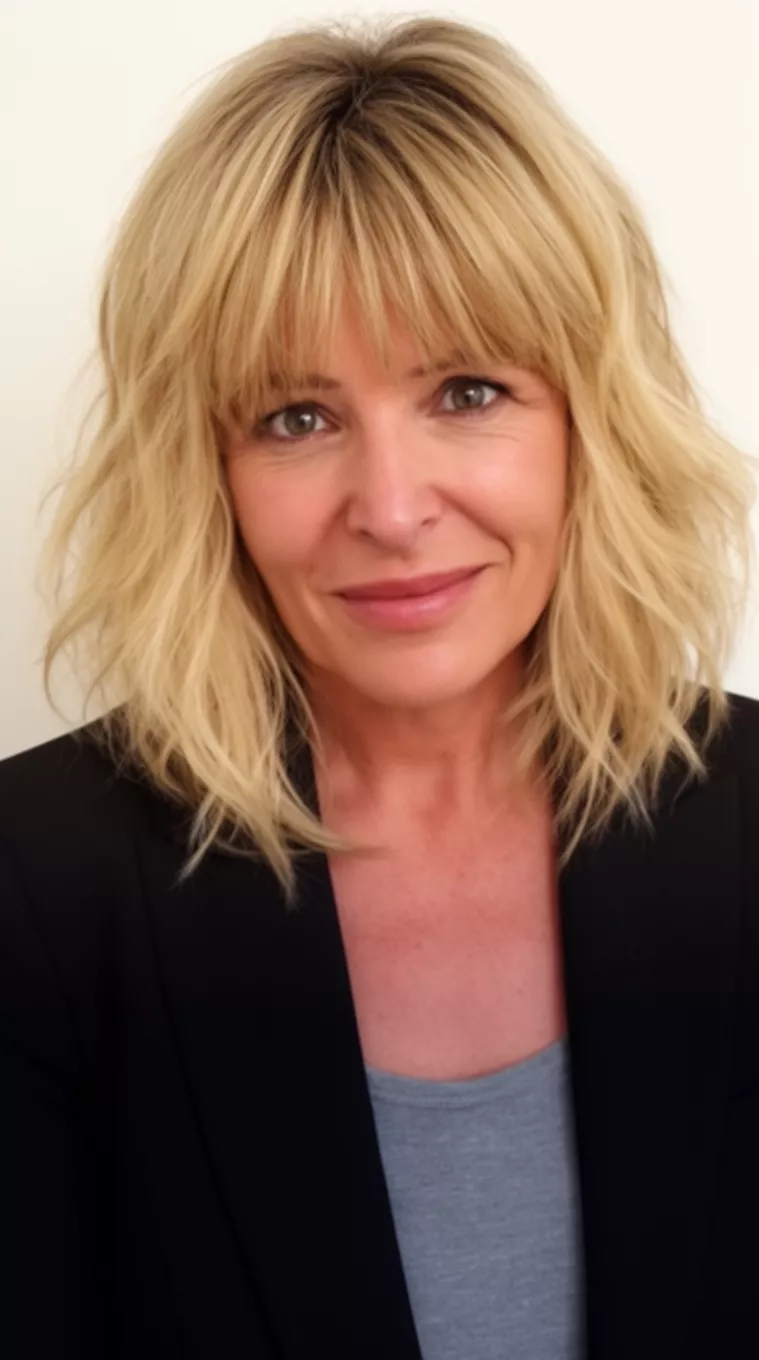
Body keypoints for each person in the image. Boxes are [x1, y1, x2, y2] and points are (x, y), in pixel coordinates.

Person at [1, 13, 757, 1360]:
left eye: (467, 390)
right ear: (204, 473)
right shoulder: (33, 886)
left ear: (594, 419)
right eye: (296, 418)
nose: (392, 508)